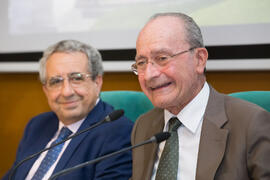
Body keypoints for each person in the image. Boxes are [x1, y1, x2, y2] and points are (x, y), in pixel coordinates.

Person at [130, 12, 270, 180]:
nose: (149, 74)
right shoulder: (143, 126)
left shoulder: (250, 125)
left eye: (162, 58)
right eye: (142, 63)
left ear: (199, 59)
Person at [3, 40, 133, 180]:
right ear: (46, 90)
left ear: (97, 82)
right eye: (56, 81)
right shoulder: (37, 125)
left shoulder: (117, 133)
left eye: (76, 78)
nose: (66, 92)